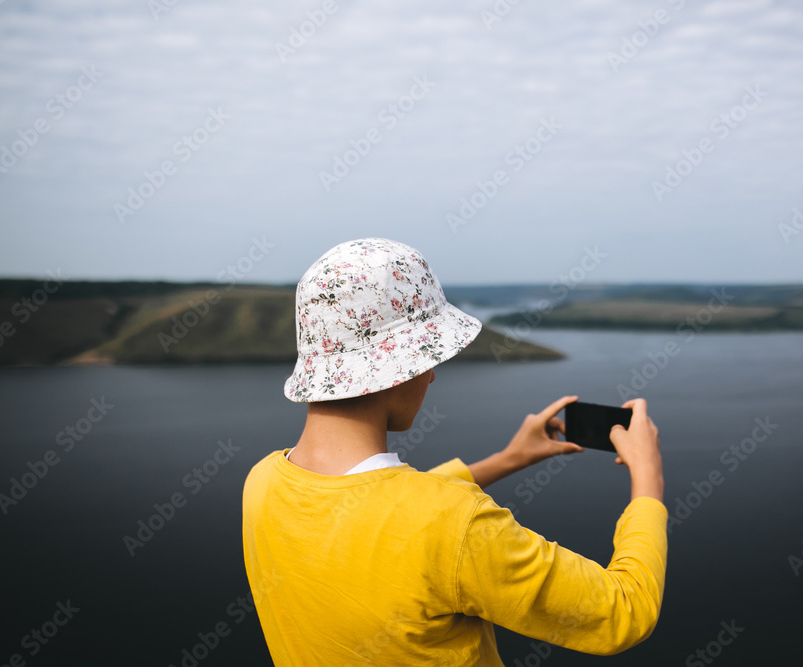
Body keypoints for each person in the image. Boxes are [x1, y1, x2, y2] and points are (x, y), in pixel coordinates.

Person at [242, 237, 667, 666]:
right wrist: (647, 479)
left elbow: (372, 518)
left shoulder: (261, 482)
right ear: (399, 366)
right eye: (429, 357)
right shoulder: (457, 526)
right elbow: (623, 612)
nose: (430, 377)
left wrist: (510, 458)